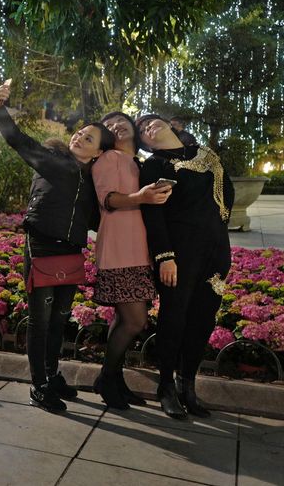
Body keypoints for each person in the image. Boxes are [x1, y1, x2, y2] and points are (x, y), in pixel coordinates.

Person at [0, 80, 114, 413]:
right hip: (41, 244)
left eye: (89, 138)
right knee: (40, 320)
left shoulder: (93, 181)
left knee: (59, 319)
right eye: (79, 133)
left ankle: (52, 374)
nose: (79, 137)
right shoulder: (52, 160)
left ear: (99, 152)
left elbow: (97, 220)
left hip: (71, 251)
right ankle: (38, 385)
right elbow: (19, 141)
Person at [136, 114, 234, 420]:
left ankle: (187, 385)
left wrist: (216, 235)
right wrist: (165, 255)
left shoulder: (207, 156)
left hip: (215, 252)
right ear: (145, 143)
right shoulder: (155, 165)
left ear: (170, 126)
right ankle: (165, 385)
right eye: (142, 130)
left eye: (152, 122)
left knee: (203, 318)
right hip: (178, 256)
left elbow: (227, 197)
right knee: (174, 318)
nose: (149, 127)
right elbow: (153, 215)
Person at [92, 112, 172, 409]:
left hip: (140, 250)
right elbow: (109, 200)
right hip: (119, 248)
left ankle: (116, 381)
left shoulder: (138, 163)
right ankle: (105, 378)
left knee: (125, 319)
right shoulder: (108, 158)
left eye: (121, 121)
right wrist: (142, 197)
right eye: (109, 124)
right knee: (135, 320)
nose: (115, 126)